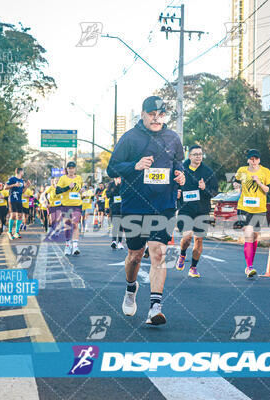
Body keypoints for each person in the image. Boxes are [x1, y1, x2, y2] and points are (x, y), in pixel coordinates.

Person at [107, 95, 185, 326]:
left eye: (160, 114)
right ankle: (131, 289)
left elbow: (179, 163)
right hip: (135, 205)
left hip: (164, 205)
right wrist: (135, 165)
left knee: (159, 253)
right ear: (142, 114)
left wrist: (182, 175)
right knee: (135, 255)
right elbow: (112, 168)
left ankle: (155, 308)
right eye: (152, 114)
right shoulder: (130, 138)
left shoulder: (173, 138)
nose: (156, 118)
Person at [176, 145, 218, 278]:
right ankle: (182, 254)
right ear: (189, 156)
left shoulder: (208, 172)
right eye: (195, 154)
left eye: (200, 154)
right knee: (187, 237)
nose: (198, 156)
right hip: (185, 209)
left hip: (202, 210)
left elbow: (214, 192)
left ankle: (193, 267)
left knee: (199, 239)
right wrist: (175, 193)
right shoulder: (180, 169)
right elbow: (172, 185)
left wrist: (205, 188)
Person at [235, 149, 270, 278]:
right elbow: (235, 181)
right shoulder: (242, 170)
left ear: (259, 160)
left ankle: (250, 264)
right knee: (248, 234)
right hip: (244, 207)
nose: (253, 161)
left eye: (256, 159)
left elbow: (269, 190)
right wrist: (236, 186)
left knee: (255, 236)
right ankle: (249, 266)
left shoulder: (265, 171)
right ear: (248, 160)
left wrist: (259, 182)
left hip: (259, 209)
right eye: (251, 159)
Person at [55, 161, 83, 255]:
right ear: (67, 169)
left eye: (73, 168)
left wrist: (81, 191)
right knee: (67, 224)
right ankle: (68, 245)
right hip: (66, 205)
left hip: (77, 205)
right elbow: (57, 191)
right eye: (69, 168)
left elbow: (80, 189)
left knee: (75, 223)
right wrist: (68, 187)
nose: (71, 170)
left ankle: (75, 246)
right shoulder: (63, 178)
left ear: (75, 169)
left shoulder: (79, 178)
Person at [5, 167, 28, 240]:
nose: (23, 173)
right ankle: (9, 231)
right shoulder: (12, 179)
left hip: (19, 200)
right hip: (12, 200)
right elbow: (5, 187)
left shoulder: (21, 180)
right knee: (13, 215)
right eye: (23, 171)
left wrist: (27, 185)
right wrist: (14, 185)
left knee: (20, 216)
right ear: (20, 172)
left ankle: (17, 232)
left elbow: (23, 191)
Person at [106, 177, 124, 249]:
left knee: (121, 225)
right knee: (115, 224)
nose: (118, 179)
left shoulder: (123, 184)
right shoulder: (111, 185)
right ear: (114, 179)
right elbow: (108, 195)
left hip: (122, 206)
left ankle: (120, 242)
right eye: (117, 178)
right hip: (114, 207)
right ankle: (113, 241)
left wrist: (119, 186)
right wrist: (115, 186)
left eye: (119, 178)